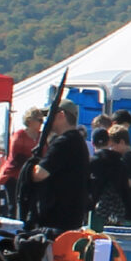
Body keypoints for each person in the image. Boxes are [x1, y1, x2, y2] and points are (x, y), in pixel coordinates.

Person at [24, 98, 90, 232]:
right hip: (70, 216)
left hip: (57, 219)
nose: (46, 121)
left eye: (49, 115)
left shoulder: (64, 142)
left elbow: (39, 174)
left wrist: (30, 167)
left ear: (61, 115)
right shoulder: (77, 140)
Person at [0, 106, 45, 219]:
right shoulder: (19, 136)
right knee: (14, 206)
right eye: (39, 120)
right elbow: (16, 158)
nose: (41, 123)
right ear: (29, 121)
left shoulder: (41, 136)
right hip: (12, 175)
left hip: (30, 176)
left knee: (31, 206)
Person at [88, 125, 130, 229]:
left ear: (93, 143)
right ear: (108, 142)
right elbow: (126, 187)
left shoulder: (92, 163)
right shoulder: (121, 162)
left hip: (97, 212)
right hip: (118, 212)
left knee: (96, 241)